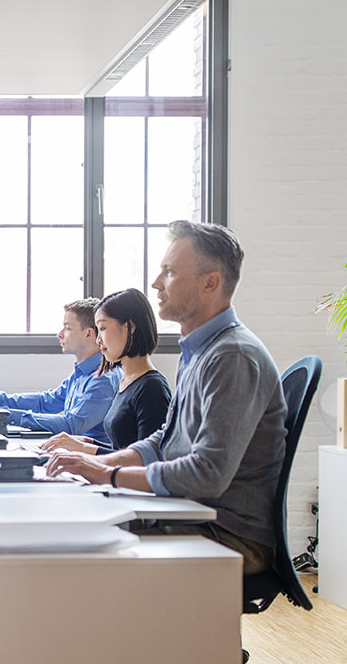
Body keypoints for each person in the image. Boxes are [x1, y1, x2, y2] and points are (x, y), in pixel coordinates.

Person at [47, 221, 286, 573]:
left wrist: (107, 476)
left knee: (77, 551)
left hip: (229, 534)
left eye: (170, 272)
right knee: (67, 527)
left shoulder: (232, 357)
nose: (157, 284)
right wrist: (102, 465)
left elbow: (208, 473)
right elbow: (165, 440)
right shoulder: (200, 351)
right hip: (195, 514)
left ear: (210, 282)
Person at [0, 298, 121, 444]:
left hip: (89, 460)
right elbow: (46, 402)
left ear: (89, 334)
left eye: (67, 328)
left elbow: (71, 425)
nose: (60, 334)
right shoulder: (82, 373)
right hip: (71, 451)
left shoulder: (102, 380)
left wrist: (6, 415)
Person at [40, 288, 171, 455]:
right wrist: (86, 442)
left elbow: (147, 460)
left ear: (129, 327)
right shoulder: (126, 381)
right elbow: (122, 448)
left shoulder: (152, 388)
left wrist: (86, 449)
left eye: (102, 328)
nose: (98, 339)